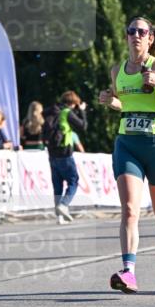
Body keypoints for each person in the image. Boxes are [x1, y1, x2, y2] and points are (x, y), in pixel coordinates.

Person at [98, 17, 155, 293]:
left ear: (150, 38)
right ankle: (129, 272)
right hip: (128, 144)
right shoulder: (117, 70)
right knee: (130, 209)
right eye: (131, 31)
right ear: (126, 36)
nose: (136, 35)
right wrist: (111, 101)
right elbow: (124, 103)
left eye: (142, 31)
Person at [44, 90, 87, 223]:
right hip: (65, 152)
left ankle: (59, 217)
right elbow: (83, 126)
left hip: (52, 152)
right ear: (73, 103)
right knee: (73, 180)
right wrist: (82, 111)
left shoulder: (52, 111)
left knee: (57, 185)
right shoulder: (67, 112)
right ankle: (64, 204)